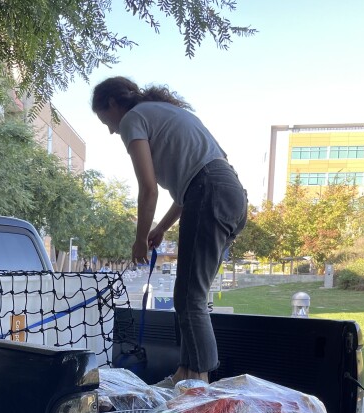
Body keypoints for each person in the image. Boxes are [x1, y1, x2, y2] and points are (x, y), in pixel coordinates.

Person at [92, 76, 247, 384]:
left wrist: (139, 240)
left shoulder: (134, 117)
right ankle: (185, 373)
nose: (111, 130)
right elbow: (190, 186)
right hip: (231, 196)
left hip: (209, 192)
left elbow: (149, 189)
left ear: (112, 104)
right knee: (190, 294)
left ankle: (199, 383)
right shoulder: (167, 112)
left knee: (190, 297)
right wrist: (161, 227)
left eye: (106, 121)